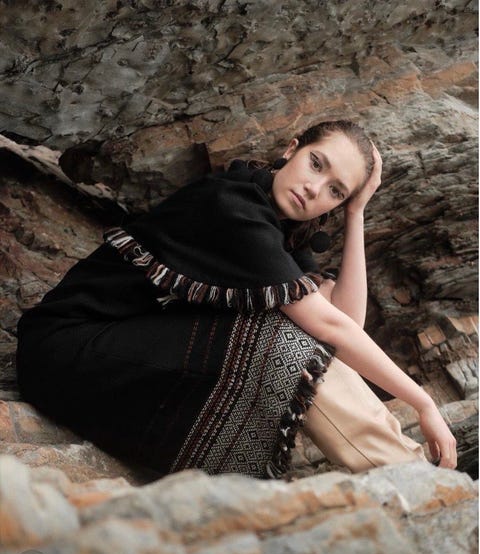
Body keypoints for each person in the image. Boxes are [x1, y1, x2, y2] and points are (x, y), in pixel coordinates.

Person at [15, 120, 457, 481]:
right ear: (291, 149)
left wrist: (356, 213)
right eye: (315, 163)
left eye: (335, 191)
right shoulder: (232, 206)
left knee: (303, 334)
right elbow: (330, 328)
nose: (314, 188)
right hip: (66, 350)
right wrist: (422, 402)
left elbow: (345, 321)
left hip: (122, 350)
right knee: (286, 339)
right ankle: (414, 480)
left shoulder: (280, 225)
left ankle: (410, 475)